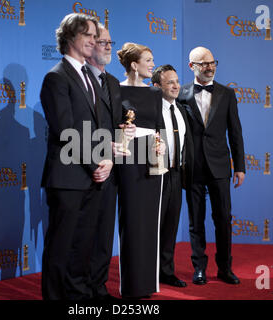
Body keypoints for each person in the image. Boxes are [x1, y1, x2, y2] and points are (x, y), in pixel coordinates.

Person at [40, 13, 114, 300]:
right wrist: (96, 163)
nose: (94, 41)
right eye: (88, 35)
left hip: (93, 176)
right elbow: (65, 130)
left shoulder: (92, 79)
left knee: (83, 245)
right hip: (68, 177)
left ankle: (78, 299)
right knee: (61, 247)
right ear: (70, 37)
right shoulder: (56, 77)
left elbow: (99, 128)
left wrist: (107, 160)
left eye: (96, 36)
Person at [177, 46, 245, 285]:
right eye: (203, 63)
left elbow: (235, 132)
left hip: (219, 166)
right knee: (196, 220)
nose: (210, 67)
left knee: (224, 218)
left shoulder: (227, 93)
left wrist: (240, 166)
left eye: (212, 62)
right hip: (192, 166)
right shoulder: (181, 93)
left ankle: (225, 268)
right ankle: (199, 269)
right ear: (191, 67)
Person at [86, 24, 135, 300]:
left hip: (111, 169)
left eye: (109, 42)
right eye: (102, 42)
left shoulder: (114, 83)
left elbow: (116, 122)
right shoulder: (79, 81)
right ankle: (81, 288)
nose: (107, 46)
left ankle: (98, 286)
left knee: (105, 234)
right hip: (86, 169)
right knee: (84, 236)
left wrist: (125, 131)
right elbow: (76, 128)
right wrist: (97, 159)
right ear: (89, 45)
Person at [116, 42, 165, 299]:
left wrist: (160, 144)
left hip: (151, 160)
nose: (152, 64)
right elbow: (109, 124)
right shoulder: (115, 89)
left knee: (149, 223)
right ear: (134, 65)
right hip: (126, 159)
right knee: (132, 221)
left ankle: (147, 284)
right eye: (148, 60)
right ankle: (131, 285)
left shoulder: (155, 93)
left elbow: (159, 128)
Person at [151, 64, 193, 288]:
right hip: (155, 175)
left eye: (177, 81)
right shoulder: (151, 111)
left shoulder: (182, 110)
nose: (176, 86)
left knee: (170, 226)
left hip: (176, 174)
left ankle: (166, 271)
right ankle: (148, 272)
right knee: (153, 226)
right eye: (170, 82)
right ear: (157, 86)